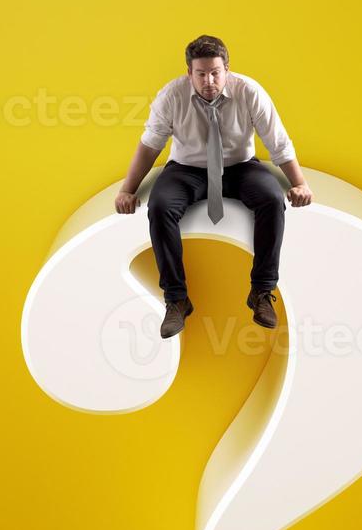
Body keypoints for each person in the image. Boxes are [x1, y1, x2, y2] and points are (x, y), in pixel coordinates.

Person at [114, 35, 313, 338]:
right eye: (201, 73)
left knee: (272, 199)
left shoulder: (250, 92)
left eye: (215, 73)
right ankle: (176, 299)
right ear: (189, 74)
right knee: (160, 207)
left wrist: (300, 184)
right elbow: (150, 145)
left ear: (227, 70)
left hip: (240, 168)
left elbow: (278, 142)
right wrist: (128, 189)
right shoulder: (171, 96)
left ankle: (261, 291)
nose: (209, 81)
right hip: (186, 170)